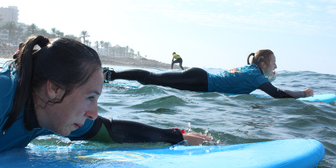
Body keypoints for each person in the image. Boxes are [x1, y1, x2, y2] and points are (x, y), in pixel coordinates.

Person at [0, 36, 211, 161]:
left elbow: (110, 131)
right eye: (90, 97)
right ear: (53, 89)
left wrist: (177, 136)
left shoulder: (48, 114)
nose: (93, 111)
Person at [104, 49, 314, 98]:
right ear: (263, 62)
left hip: (200, 79)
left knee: (154, 81)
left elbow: (243, 81)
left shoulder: (250, 71)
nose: (275, 67)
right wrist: (303, 93)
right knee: (153, 78)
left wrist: (268, 77)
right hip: (200, 80)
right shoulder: (255, 75)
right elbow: (276, 94)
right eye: (273, 63)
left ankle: (113, 76)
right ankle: (111, 74)